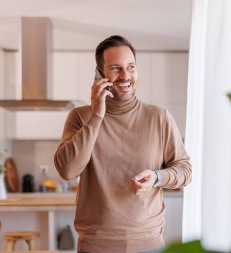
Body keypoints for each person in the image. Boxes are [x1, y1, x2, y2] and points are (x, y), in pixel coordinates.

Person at [54, 35, 192, 253]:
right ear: (100, 74)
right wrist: (97, 115)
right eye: (116, 68)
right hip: (95, 246)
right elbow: (68, 170)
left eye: (131, 67)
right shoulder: (80, 117)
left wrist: (157, 177)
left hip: (149, 245)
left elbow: (185, 170)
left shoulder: (159, 117)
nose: (126, 75)